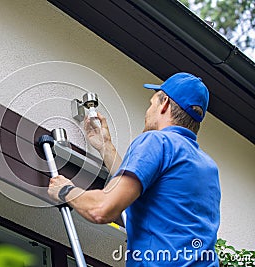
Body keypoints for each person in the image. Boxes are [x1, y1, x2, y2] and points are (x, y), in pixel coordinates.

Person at [47, 72, 221, 266]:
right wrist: (106, 146)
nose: (148, 111)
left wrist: (65, 190)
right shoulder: (207, 166)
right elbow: (139, 186)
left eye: (151, 103)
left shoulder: (157, 141)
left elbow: (102, 209)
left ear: (164, 104)